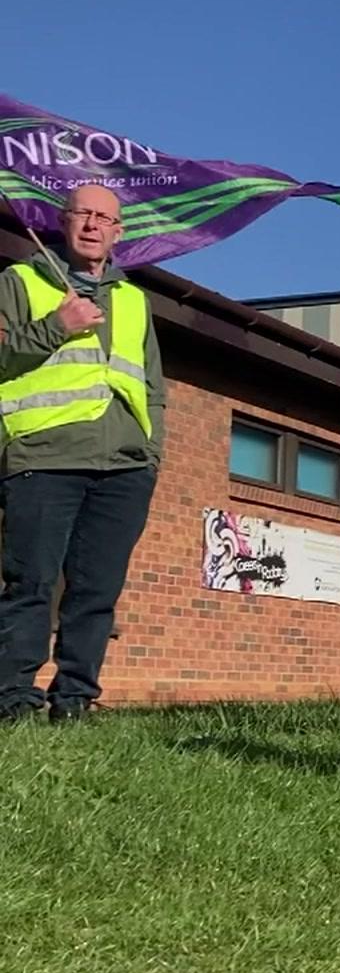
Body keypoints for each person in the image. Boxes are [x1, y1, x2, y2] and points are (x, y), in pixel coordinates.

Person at [0, 184, 164, 723]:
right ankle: (14, 699)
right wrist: (56, 327)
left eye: (104, 218)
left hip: (124, 467)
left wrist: (151, 455)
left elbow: (152, 386)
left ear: (119, 233)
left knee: (96, 591)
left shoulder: (135, 300)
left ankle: (73, 700)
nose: (92, 225)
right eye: (82, 214)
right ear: (63, 222)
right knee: (31, 585)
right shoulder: (20, 280)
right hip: (42, 457)